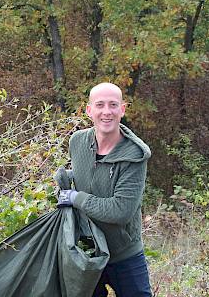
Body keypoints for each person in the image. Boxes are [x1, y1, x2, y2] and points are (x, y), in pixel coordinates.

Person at [55, 82, 153, 296]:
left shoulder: (135, 155)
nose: (106, 112)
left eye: (113, 105)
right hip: (86, 253)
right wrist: (66, 181)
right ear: (89, 110)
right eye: (100, 105)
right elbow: (89, 178)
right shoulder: (77, 142)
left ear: (122, 109)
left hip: (124, 254)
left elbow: (120, 210)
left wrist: (75, 196)